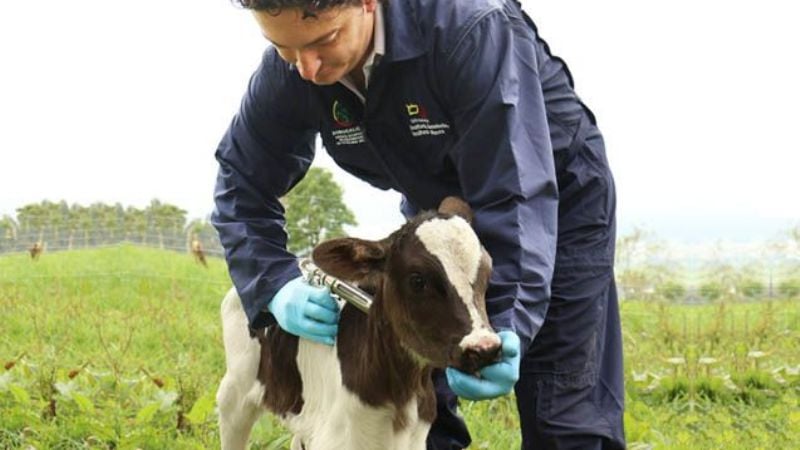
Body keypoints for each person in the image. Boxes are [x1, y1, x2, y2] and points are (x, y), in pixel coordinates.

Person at [211, 0, 625, 448]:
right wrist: (274, 281)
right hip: (441, 216)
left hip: (554, 199)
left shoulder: (470, 30)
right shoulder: (291, 71)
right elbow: (241, 183)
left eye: (323, 41)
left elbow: (516, 190)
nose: (307, 68)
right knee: (409, 397)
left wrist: (504, 321)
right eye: (284, 49)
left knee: (561, 401)